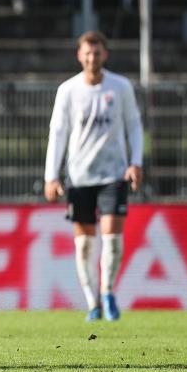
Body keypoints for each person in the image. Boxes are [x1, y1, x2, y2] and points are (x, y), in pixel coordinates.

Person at [44, 31, 143, 322]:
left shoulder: (121, 87)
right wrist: (51, 176)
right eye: (87, 53)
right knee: (85, 244)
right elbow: (58, 134)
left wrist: (135, 162)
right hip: (79, 175)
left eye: (97, 53)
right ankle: (92, 302)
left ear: (105, 55)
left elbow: (134, 127)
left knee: (111, 237)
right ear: (79, 55)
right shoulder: (68, 90)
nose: (92, 58)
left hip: (113, 173)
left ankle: (108, 292)